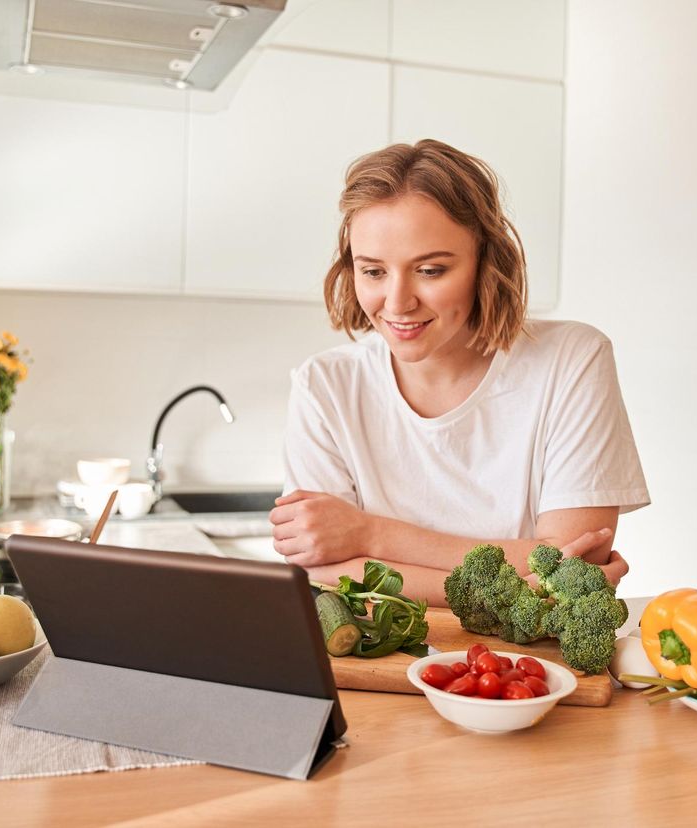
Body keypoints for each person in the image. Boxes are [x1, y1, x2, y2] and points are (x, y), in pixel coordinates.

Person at [269, 139, 649, 607]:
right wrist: (522, 581)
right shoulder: (324, 385)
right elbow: (322, 572)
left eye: (429, 270)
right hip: (377, 668)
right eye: (372, 272)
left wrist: (371, 535)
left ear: (485, 264)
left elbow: (576, 571)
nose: (397, 302)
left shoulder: (572, 359)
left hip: (527, 672)